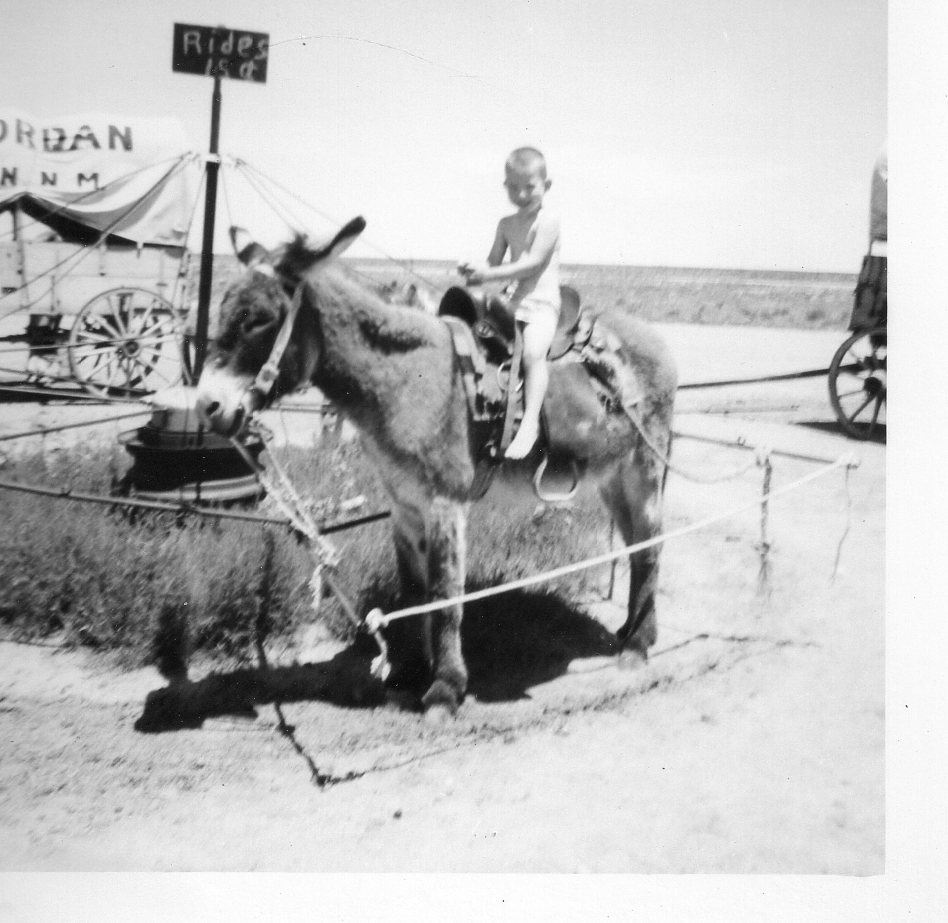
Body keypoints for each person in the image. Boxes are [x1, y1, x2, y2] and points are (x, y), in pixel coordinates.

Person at [458, 147, 561, 459]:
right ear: (505, 187)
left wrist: (490, 272)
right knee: (475, 341)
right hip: (512, 303)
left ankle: (529, 424)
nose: (521, 194)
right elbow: (492, 261)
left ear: (547, 185)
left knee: (532, 354)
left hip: (542, 304)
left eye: (529, 187)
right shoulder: (505, 224)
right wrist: (474, 269)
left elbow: (531, 264)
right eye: (513, 187)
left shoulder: (549, 222)